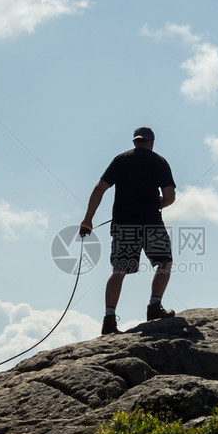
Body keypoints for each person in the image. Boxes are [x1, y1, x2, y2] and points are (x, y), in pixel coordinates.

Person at [80, 126, 177, 335]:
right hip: (151, 222)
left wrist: (87, 220)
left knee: (119, 271)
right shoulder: (159, 161)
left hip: (123, 224)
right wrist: (160, 203)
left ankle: (108, 320)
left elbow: (99, 188)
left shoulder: (120, 160)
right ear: (151, 141)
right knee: (164, 263)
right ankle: (154, 307)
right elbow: (169, 196)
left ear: (134, 142)